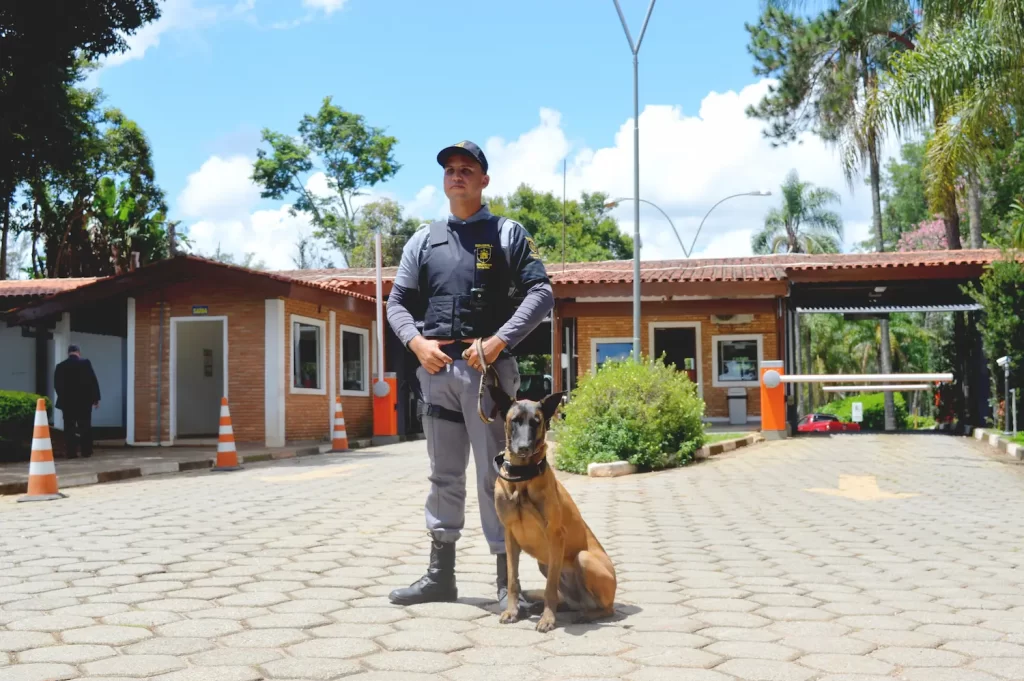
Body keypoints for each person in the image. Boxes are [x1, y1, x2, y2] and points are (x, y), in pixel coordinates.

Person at [385, 140, 554, 614]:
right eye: (450, 169)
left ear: (484, 180)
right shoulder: (424, 239)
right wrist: (416, 343)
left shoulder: (506, 234)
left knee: (495, 477)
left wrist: (500, 341)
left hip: (488, 379)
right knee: (443, 474)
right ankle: (441, 577)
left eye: (467, 169)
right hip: (437, 374)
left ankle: (509, 582)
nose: (457, 175)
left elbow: (542, 293)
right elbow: (396, 303)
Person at [53, 344, 101, 459]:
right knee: (85, 426)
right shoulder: (85, 363)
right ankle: (86, 451)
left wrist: (63, 397)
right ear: (78, 352)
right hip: (84, 402)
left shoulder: (60, 366)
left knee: (69, 427)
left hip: (68, 403)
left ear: (68, 353)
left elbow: (57, 385)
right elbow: (92, 381)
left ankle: (71, 452)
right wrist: (95, 399)